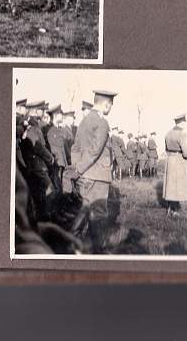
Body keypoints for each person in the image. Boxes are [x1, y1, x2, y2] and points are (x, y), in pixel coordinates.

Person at [70, 89, 117, 253]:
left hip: (85, 174)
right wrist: (80, 169)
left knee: (85, 208)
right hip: (98, 175)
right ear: (106, 104)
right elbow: (96, 151)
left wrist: (77, 169)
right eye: (110, 105)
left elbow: (75, 148)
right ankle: (98, 249)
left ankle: (73, 240)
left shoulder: (84, 121)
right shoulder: (102, 122)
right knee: (98, 212)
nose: (110, 109)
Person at [163, 114, 187, 216]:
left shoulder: (168, 133)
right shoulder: (182, 134)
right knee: (177, 186)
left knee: (170, 185)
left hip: (170, 160)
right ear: (182, 122)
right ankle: (175, 210)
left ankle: (169, 208)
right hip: (179, 161)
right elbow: (186, 153)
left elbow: (166, 149)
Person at [46, 104, 68, 192]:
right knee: (56, 185)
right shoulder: (49, 129)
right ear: (55, 116)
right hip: (56, 163)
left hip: (61, 162)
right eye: (60, 114)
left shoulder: (58, 129)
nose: (62, 116)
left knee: (59, 185)